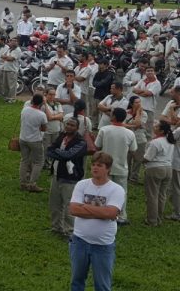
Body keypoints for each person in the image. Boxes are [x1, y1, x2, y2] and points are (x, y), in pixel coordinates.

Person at [69, 152, 125, 291]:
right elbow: (74, 210)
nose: (95, 168)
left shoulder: (116, 189)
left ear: (108, 169)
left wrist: (86, 207)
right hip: (79, 241)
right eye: (93, 165)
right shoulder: (82, 184)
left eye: (99, 165)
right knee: (77, 281)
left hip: (103, 245)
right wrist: (102, 212)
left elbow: (111, 212)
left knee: (102, 285)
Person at [95, 107, 137, 225]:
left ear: (113, 117)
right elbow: (133, 150)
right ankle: (121, 215)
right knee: (122, 192)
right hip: (121, 167)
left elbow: (97, 146)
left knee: (103, 190)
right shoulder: (129, 133)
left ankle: (103, 212)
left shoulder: (104, 130)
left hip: (105, 167)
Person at [47, 118, 87, 238]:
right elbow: (49, 150)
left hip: (70, 178)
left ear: (77, 128)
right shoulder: (62, 136)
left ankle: (70, 231)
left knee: (69, 205)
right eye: (67, 124)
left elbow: (69, 155)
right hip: (57, 174)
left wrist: (57, 152)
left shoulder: (81, 142)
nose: (69, 127)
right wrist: (61, 153)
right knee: (54, 204)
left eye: (72, 125)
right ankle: (56, 227)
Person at [143, 121, 175, 226]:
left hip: (155, 169)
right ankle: (159, 217)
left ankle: (152, 220)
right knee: (162, 195)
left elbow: (148, 158)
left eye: (156, 126)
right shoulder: (170, 141)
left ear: (161, 131)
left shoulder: (155, 142)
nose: (154, 127)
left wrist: (141, 160)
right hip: (168, 168)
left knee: (152, 195)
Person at [19, 94, 49, 192]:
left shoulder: (25, 110)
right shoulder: (41, 114)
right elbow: (44, 128)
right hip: (35, 140)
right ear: (41, 103)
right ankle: (32, 184)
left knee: (24, 160)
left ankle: (23, 183)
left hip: (23, 138)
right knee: (38, 162)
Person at [124, 95, 149, 185]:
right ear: (131, 103)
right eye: (136, 102)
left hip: (140, 139)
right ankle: (126, 176)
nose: (139, 104)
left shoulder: (144, 114)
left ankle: (134, 178)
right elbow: (122, 125)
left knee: (137, 160)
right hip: (127, 139)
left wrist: (138, 112)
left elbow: (138, 124)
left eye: (140, 102)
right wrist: (133, 126)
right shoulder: (126, 113)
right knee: (127, 159)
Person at [133, 66, 161, 131]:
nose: (150, 72)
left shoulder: (157, 83)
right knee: (138, 126)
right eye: (148, 71)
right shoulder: (142, 80)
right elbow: (134, 90)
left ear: (154, 72)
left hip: (149, 108)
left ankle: (148, 140)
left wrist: (139, 91)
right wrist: (144, 92)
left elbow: (148, 94)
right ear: (145, 73)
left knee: (148, 127)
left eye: (151, 70)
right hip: (139, 106)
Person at [0, 37, 22, 103]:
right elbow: (2, 56)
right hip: (6, 69)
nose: (13, 42)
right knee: (5, 84)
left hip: (12, 70)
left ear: (17, 42)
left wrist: (5, 57)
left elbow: (11, 59)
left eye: (15, 41)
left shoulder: (18, 50)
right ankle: (7, 97)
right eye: (12, 41)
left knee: (12, 86)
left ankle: (12, 99)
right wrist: (6, 57)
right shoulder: (9, 49)